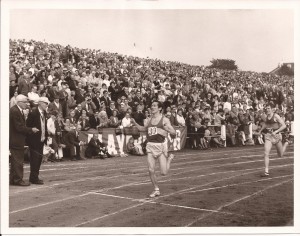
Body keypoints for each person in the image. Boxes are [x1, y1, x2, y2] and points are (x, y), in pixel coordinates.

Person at [131, 101, 176, 198]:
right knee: (151, 170)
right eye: (151, 106)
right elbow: (143, 129)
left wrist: (167, 129)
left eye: (155, 106)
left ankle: (169, 159)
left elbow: (174, 133)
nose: (152, 107)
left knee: (163, 172)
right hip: (150, 145)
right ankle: (156, 189)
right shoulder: (149, 119)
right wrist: (135, 123)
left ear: (160, 108)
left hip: (160, 146)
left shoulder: (164, 120)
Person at [9, 94, 39, 186]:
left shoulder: (16, 110)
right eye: (25, 102)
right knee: (18, 160)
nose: (27, 104)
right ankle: (18, 180)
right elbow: (19, 127)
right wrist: (31, 129)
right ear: (20, 102)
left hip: (16, 139)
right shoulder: (15, 111)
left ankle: (14, 179)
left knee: (15, 160)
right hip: (16, 139)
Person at [26, 96, 50, 185]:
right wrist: (30, 140)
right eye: (45, 103)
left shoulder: (44, 113)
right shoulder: (33, 113)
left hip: (41, 139)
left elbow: (44, 126)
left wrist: (46, 137)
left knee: (39, 159)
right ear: (40, 103)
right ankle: (33, 178)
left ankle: (34, 176)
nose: (46, 105)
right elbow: (28, 126)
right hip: (34, 141)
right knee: (35, 160)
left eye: (47, 104)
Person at [259, 103, 286, 177]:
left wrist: (276, 132)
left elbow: (284, 125)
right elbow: (265, 124)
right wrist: (260, 130)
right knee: (266, 153)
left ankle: (286, 144)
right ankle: (266, 171)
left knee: (280, 155)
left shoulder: (276, 116)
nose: (267, 110)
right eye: (266, 108)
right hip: (268, 136)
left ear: (272, 109)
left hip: (276, 136)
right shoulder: (266, 116)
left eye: (268, 108)